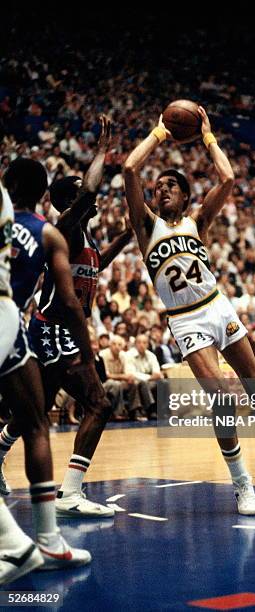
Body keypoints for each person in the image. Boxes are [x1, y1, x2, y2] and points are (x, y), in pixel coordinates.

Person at [124, 107, 255, 516]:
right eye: (159, 185)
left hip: (218, 306)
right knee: (221, 397)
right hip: (184, 319)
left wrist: (208, 136)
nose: (162, 189)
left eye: (171, 186)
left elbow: (229, 179)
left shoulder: (197, 221)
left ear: (185, 196)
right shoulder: (147, 225)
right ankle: (242, 484)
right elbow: (131, 169)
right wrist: (160, 133)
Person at [0, 116, 133, 518]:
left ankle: (0, 449)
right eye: (80, 196)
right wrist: (101, 152)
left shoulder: (85, 239)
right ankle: (71, 493)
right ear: (68, 203)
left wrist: (126, 236)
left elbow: (96, 266)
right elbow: (89, 190)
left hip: (52, 329)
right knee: (98, 404)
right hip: (57, 329)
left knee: (35, 411)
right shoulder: (67, 227)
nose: (91, 200)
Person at [0, 164, 95, 585]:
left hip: (19, 322)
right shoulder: (49, 231)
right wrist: (89, 356)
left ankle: (22, 545)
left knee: (35, 420)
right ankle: (47, 538)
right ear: (44, 196)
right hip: (17, 323)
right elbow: (73, 304)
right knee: (38, 423)